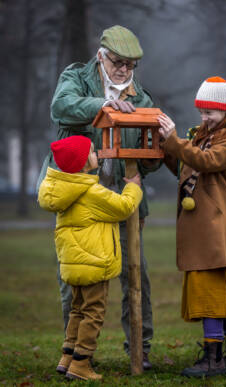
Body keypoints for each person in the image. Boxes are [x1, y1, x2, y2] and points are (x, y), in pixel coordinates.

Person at [37, 25, 160, 369]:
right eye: (118, 62)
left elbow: (147, 163)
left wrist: (161, 146)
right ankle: (75, 352)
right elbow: (60, 108)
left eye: (131, 65)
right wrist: (102, 103)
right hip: (77, 199)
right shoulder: (76, 77)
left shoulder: (142, 99)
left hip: (121, 200)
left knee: (137, 276)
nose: (124, 70)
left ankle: (140, 349)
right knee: (74, 280)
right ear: (101, 56)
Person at [158, 76, 226, 377]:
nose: (204, 117)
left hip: (215, 219)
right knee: (220, 283)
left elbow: (208, 161)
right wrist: (167, 150)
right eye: (201, 111)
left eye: (210, 112)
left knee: (207, 284)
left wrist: (176, 141)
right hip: (202, 220)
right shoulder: (203, 134)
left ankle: (213, 358)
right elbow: (187, 166)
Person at [38, 135, 143, 381]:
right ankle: (81, 363)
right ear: (85, 162)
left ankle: (67, 357)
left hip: (74, 264)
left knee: (77, 310)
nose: (98, 154)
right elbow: (124, 207)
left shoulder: (63, 189)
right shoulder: (90, 192)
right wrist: (133, 187)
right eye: (94, 151)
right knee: (93, 312)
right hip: (94, 264)